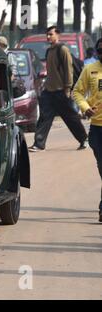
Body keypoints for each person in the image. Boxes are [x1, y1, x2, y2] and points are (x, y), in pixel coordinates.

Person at [29, 26, 88, 152]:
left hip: (61, 90)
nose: (48, 37)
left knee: (70, 117)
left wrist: (68, 88)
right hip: (49, 91)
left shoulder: (63, 50)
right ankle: (39, 144)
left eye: (51, 34)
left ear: (57, 35)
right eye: (47, 34)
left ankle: (84, 139)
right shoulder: (49, 51)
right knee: (45, 117)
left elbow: (68, 70)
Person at [73, 38, 102, 223]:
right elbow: (77, 92)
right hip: (98, 129)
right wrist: (85, 107)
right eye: (101, 51)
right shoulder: (89, 70)